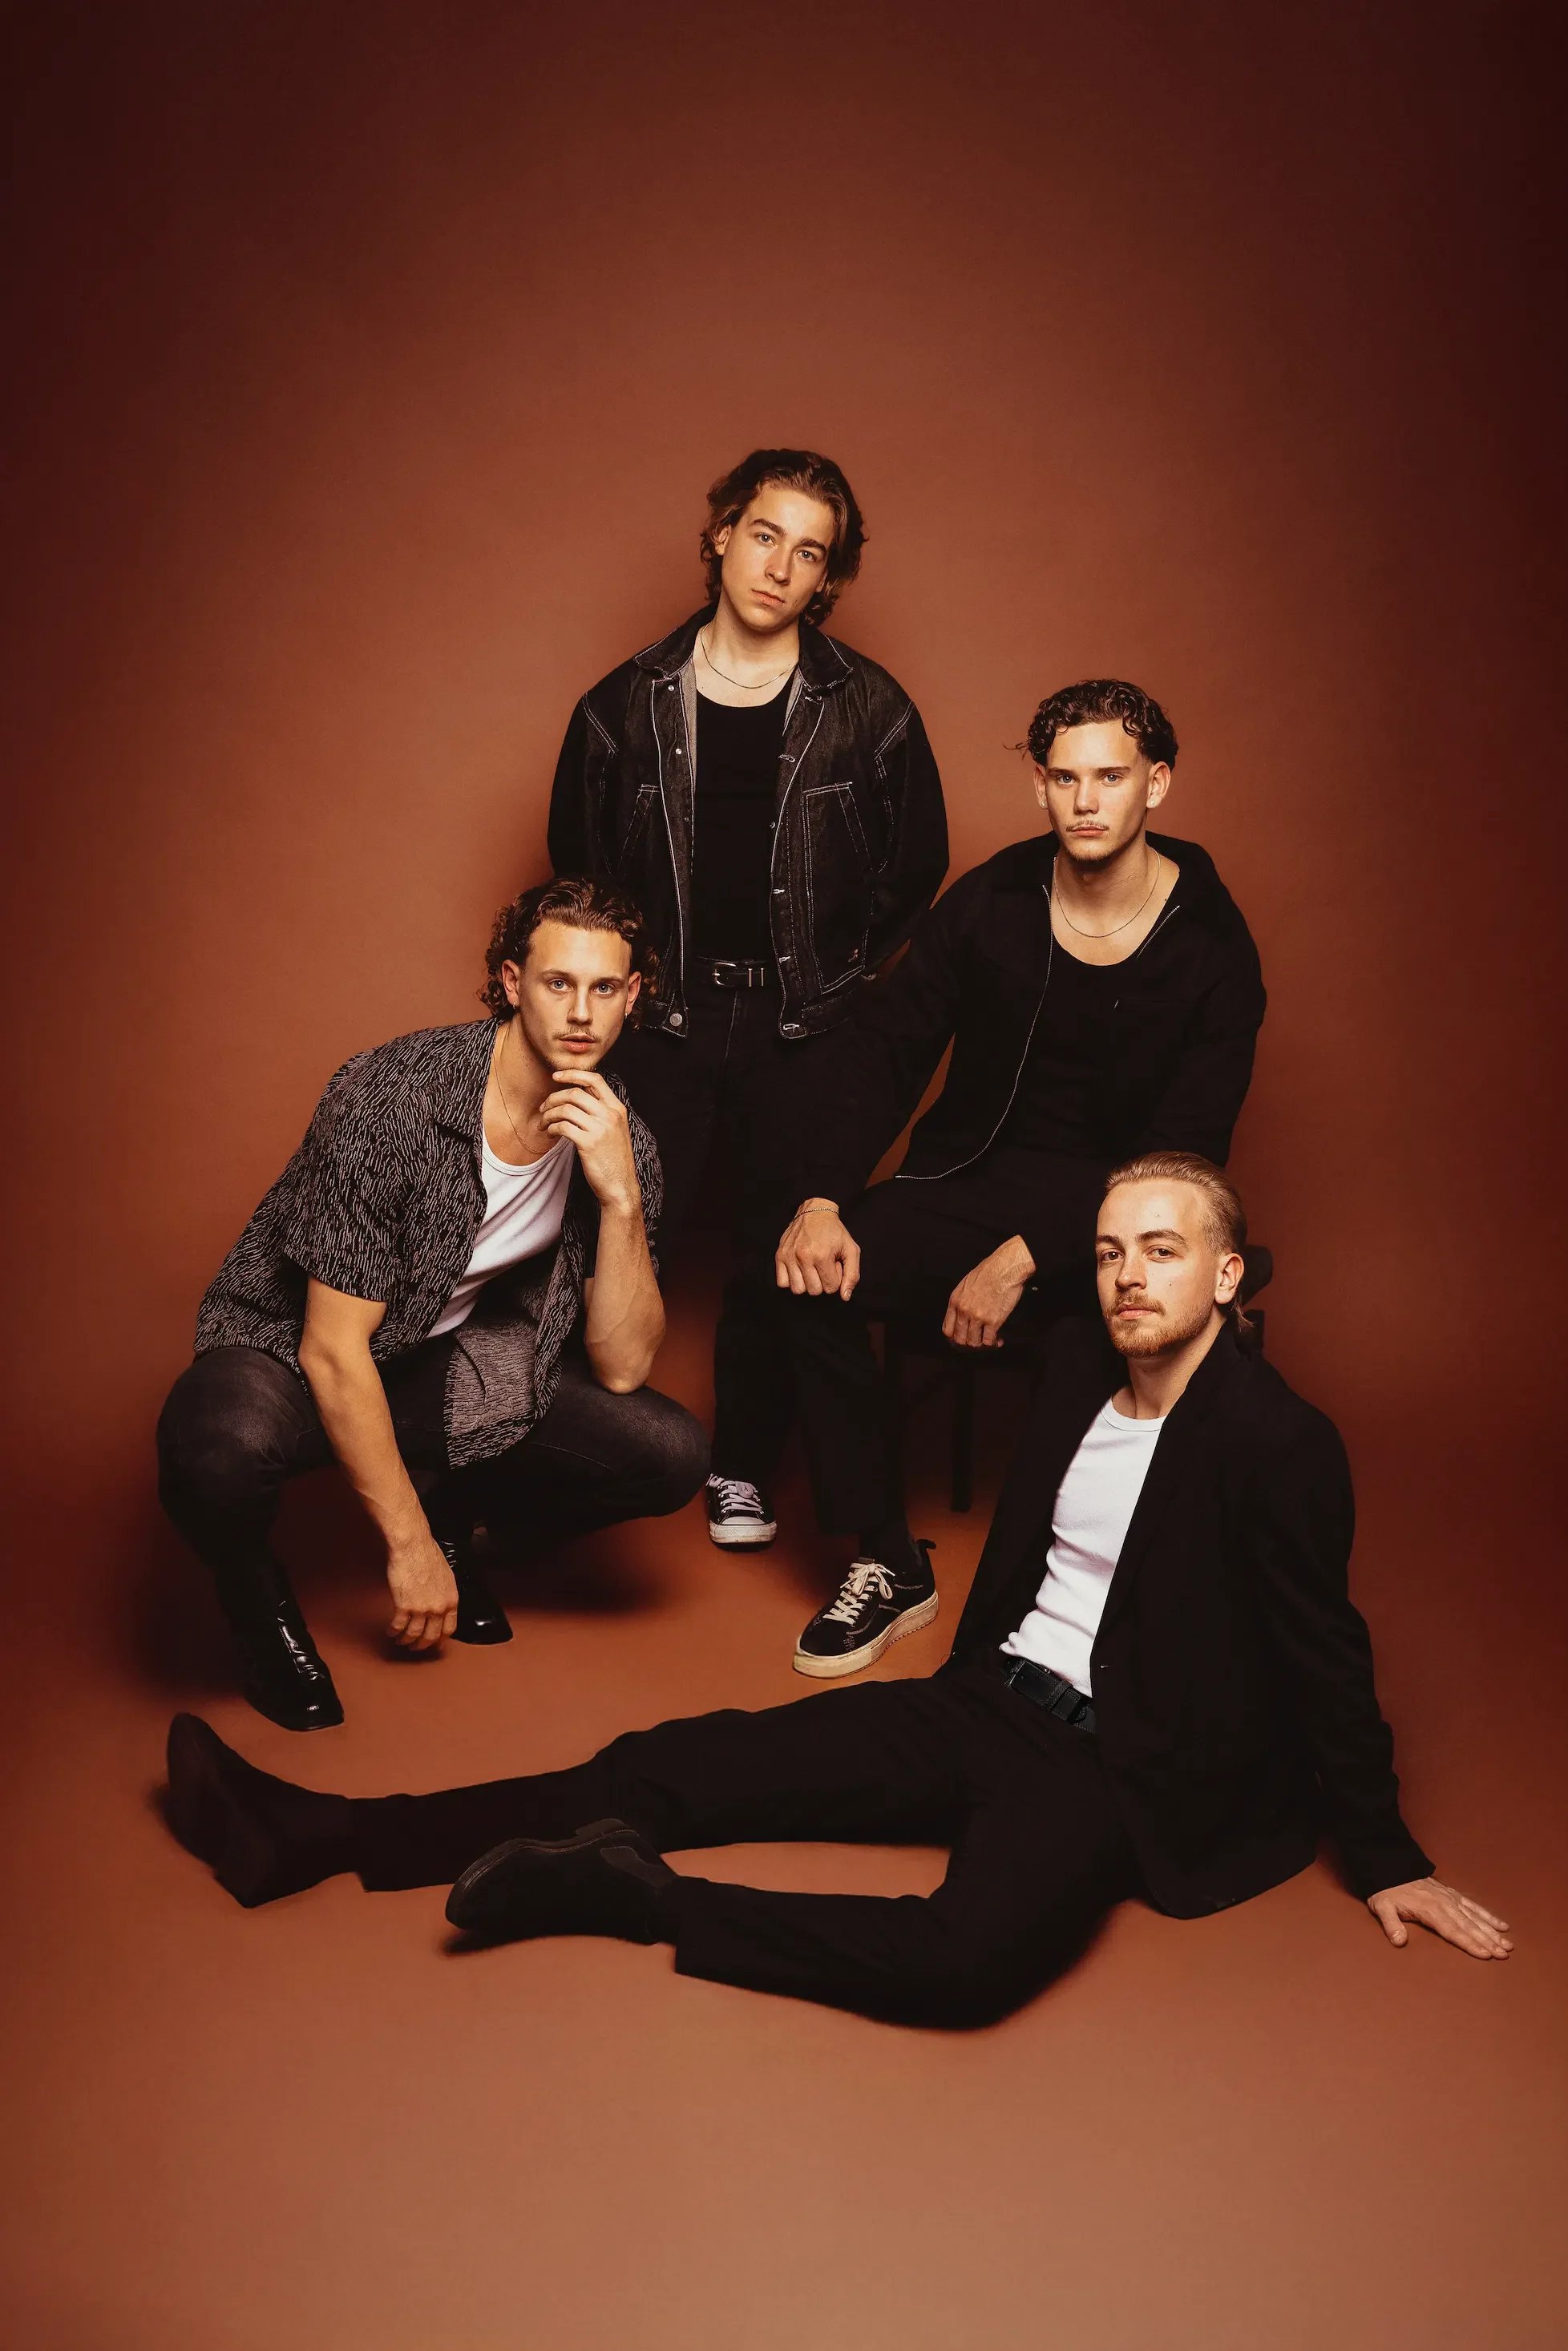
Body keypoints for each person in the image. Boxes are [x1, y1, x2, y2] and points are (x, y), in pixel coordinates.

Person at [161, 1155, 1510, 2026]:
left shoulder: (1277, 1438)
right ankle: (329, 1833)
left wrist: (1388, 1855)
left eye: (1161, 1250)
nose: (1126, 1275)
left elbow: (1325, 1648)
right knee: (671, 1761)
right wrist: (824, 1206)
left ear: (1225, 1274)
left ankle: (636, 1896)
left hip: (1109, 1766)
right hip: (983, 1701)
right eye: (1107, 1250)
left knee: (961, 1963)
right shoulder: (1066, 1371)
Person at [770, 677, 1268, 1676]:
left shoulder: (1214, 945)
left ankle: (1006, 1633)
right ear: (1041, 785)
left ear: (1156, 785)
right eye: (1065, 778)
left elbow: (1182, 1155)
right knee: (802, 1281)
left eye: (1111, 777)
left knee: (1096, 1335)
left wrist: (1032, 1255)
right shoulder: (996, 898)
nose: (1086, 801)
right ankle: (886, 1557)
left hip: (1126, 1216)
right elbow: (887, 1045)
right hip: (967, 1175)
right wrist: (821, 1195)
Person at [156, 876, 708, 1732]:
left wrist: (623, 1198)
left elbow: (625, 1364)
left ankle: (460, 1513)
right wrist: (406, 1549)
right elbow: (333, 1350)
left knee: (670, 1451)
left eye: (605, 988)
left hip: (435, 1361)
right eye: (558, 982)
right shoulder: (393, 1098)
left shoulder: (616, 1133)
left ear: (633, 997)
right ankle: (255, 1597)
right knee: (215, 1451)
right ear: (510, 981)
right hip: (290, 1350)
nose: (580, 1013)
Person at [548, 447, 948, 1557]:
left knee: (783, 1254)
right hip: (666, 1019)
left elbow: (916, 866)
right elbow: (575, 865)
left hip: (802, 1025)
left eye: (810, 552)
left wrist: (833, 977)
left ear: (828, 578)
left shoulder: (869, 709)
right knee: (615, 1227)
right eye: (765, 535)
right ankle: (575, 1469)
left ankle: (739, 1469)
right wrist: (630, 989)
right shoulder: (624, 702)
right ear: (722, 532)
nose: (782, 567)